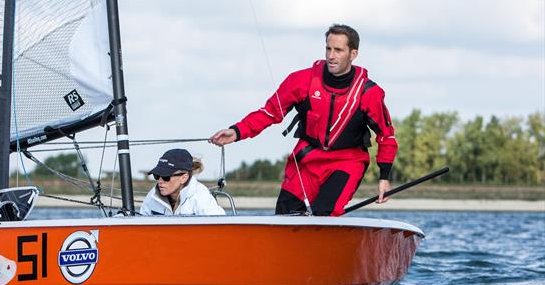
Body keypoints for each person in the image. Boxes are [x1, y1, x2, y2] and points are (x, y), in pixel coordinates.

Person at [210, 24, 397, 216]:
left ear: (353, 54)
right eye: (328, 48)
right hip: (308, 160)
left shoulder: (370, 93)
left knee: (323, 214)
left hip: (347, 162)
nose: (331, 55)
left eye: (338, 50)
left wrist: (384, 177)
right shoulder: (301, 80)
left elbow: (386, 136)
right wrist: (237, 131)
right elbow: (270, 112)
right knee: (284, 216)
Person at [140, 148, 225, 216]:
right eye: (157, 176)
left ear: (184, 178)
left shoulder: (201, 197)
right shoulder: (152, 196)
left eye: (166, 177)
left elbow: (221, 228)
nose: (160, 181)